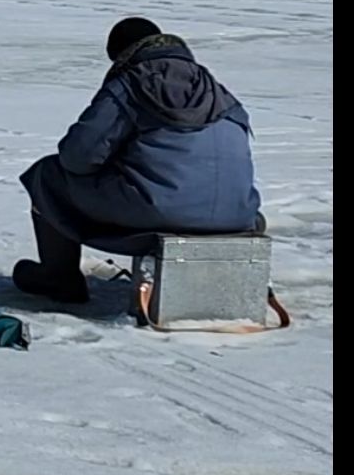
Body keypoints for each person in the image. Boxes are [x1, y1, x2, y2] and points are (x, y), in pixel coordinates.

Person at [14, 18, 263, 304]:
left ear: (120, 54)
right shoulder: (217, 90)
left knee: (47, 175)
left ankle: (60, 278)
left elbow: (77, 156)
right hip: (239, 217)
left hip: (159, 213)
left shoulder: (131, 83)